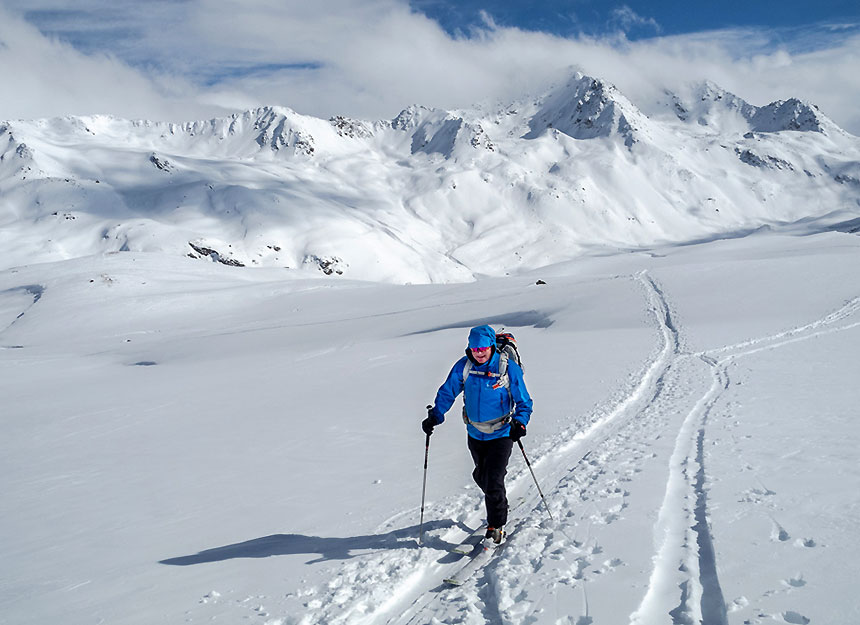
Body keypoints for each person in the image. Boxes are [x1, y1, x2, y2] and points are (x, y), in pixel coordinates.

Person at [422, 324, 533, 544]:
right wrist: (435, 415)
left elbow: (524, 401)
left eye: (483, 348)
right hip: (474, 433)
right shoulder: (464, 367)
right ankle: (498, 497)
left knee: (492, 480)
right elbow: (448, 392)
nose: (479, 353)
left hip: (502, 433)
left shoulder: (507, 368)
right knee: (482, 476)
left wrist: (520, 422)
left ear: (491, 346)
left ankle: (496, 524)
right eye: (474, 349)